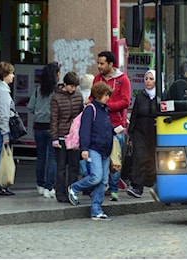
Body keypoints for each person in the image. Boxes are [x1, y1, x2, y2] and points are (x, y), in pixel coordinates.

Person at [68, 82, 123, 220]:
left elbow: (105, 128)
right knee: (96, 177)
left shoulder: (104, 109)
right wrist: (84, 149)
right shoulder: (90, 109)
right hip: (95, 148)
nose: (107, 98)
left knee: (103, 181)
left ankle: (96, 210)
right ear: (99, 95)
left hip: (104, 150)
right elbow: (85, 130)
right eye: (106, 95)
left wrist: (114, 130)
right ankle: (74, 188)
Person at [93, 51, 131, 201]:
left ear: (110, 64)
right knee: (99, 158)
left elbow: (126, 101)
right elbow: (92, 97)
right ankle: (101, 188)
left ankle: (114, 189)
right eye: (98, 63)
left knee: (115, 159)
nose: (99, 66)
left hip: (117, 126)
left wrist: (107, 106)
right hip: (99, 126)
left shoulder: (123, 80)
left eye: (102, 63)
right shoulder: (97, 79)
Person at [50, 71, 84, 203]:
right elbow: (54, 119)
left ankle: (72, 191)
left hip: (74, 136)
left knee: (74, 166)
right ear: (65, 84)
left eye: (75, 87)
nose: (73, 89)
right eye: (71, 86)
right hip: (62, 135)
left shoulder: (78, 95)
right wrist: (54, 138)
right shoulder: (56, 98)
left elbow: (81, 115)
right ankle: (60, 193)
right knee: (61, 166)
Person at [27, 62, 60, 198]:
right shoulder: (57, 91)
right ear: (56, 75)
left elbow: (30, 107)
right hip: (52, 127)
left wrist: (39, 112)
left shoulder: (38, 90)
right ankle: (49, 186)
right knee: (53, 157)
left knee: (40, 156)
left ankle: (40, 184)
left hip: (38, 127)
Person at [126, 70, 157, 198]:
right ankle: (137, 187)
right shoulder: (140, 96)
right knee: (139, 157)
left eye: (151, 79)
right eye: (146, 79)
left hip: (155, 132)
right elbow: (134, 116)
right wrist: (131, 134)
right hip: (141, 131)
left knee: (153, 159)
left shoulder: (161, 96)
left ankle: (154, 185)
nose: (148, 81)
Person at [0, 61, 16, 196]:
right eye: (11, 73)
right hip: (0, 129)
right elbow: (4, 114)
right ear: (5, 75)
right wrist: (6, 134)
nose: (13, 76)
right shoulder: (3, 91)